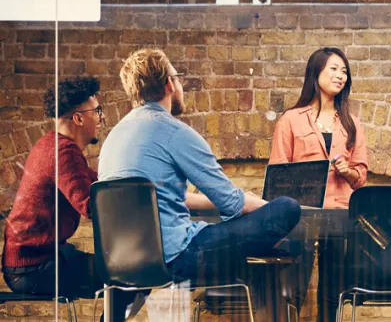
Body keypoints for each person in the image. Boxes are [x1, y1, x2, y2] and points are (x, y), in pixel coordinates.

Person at [98, 48, 301, 318]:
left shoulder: (115, 136)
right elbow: (230, 202)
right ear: (170, 83)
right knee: (286, 209)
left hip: (123, 260)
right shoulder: (172, 131)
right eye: (178, 78)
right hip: (177, 259)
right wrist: (265, 206)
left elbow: (159, 198)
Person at [1, 77, 138, 321]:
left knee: (123, 274)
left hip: (38, 260)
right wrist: (140, 207)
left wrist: (132, 184)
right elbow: (90, 205)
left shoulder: (54, 146)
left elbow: (98, 182)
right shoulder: (63, 152)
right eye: (97, 111)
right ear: (78, 118)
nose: (101, 117)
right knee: (130, 276)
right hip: (32, 268)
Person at [269, 47, 368, 321]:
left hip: (338, 216)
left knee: (333, 290)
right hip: (301, 216)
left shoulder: (352, 124)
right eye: (334, 69)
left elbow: (361, 177)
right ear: (316, 72)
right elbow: (277, 172)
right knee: (294, 287)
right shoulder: (291, 119)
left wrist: (347, 171)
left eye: (344, 71)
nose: (340, 76)